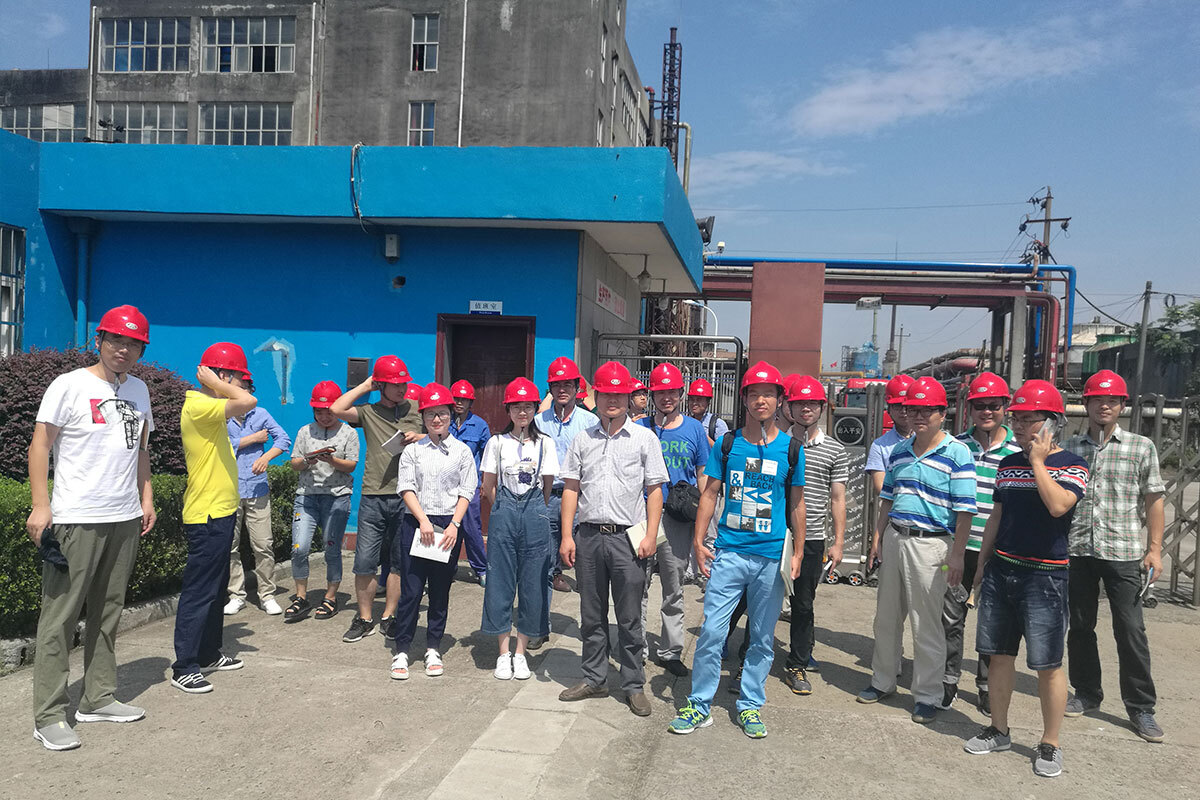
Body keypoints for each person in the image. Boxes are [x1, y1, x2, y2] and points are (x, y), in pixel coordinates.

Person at [26, 306, 156, 750]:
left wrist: (146, 497)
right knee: (60, 617)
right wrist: (40, 505)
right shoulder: (69, 385)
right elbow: (40, 444)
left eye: (134, 344)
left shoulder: (139, 390)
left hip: (123, 517)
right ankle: (48, 714)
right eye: (116, 340)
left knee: (108, 610)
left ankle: (98, 697)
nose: (124, 349)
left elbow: (140, 449)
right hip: (76, 518)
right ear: (99, 341)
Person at [667, 361, 805, 739]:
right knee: (712, 632)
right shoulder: (728, 445)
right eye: (754, 394)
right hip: (729, 553)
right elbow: (710, 493)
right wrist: (699, 542)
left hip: (770, 558)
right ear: (744, 399)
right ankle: (699, 704)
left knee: (761, 637)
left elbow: (797, 503)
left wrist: (798, 552)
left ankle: (750, 705)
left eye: (768, 394)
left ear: (779, 401)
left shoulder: (792, 450)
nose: (761, 401)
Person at [963, 380, 1089, 779]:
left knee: (1047, 664)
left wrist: (1037, 461)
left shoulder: (1073, 464)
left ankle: (1050, 742)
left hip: (1045, 576)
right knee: (999, 655)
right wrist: (982, 564)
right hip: (1002, 570)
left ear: (1052, 423)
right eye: (1016, 419)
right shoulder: (1007, 465)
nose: (1019, 426)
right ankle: (998, 729)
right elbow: (997, 515)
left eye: (1029, 419)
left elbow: (1058, 506)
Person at [858, 376, 976, 724]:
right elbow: (887, 498)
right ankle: (882, 680)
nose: (919, 416)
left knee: (926, 623)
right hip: (896, 536)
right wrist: (877, 537)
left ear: (943, 413)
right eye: (913, 410)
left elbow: (965, 510)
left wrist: (957, 554)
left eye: (927, 410)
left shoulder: (957, 452)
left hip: (932, 544)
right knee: (886, 617)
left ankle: (927, 694)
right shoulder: (899, 451)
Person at [558, 361, 669, 717]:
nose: (613, 400)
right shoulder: (583, 439)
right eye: (606, 394)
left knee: (630, 616)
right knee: (591, 614)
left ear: (628, 397)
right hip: (589, 537)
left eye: (619, 394)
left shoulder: (644, 439)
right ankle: (595, 677)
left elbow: (654, 490)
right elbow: (571, 488)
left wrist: (650, 534)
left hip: (627, 540)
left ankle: (633, 684)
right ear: (596, 396)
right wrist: (567, 535)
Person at [1062, 369, 1167, 742]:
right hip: (1078, 549)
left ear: (1122, 405)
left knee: (1131, 629)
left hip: (1122, 551)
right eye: (1097, 399)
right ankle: (1086, 691)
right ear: (1086, 403)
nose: (1104, 406)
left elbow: (1154, 500)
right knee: (1080, 626)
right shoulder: (1069, 448)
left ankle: (1141, 707)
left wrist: (1154, 550)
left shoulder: (1141, 447)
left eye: (1112, 400)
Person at [171, 342, 258, 694]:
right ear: (221, 375)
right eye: (237, 377)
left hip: (220, 511)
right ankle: (184, 666)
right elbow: (248, 401)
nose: (241, 384)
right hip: (206, 513)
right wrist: (217, 382)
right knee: (199, 591)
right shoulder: (199, 404)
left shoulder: (210, 406)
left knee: (215, 589)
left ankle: (208, 653)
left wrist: (219, 383)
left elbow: (244, 400)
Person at [329, 356, 423, 643]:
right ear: (381, 385)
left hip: (406, 495)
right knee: (365, 561)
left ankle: (389, 616)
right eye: (395, 384)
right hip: (373, 495)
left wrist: (420, 437)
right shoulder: (368, 412)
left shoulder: (416, 408)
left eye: (404, 383)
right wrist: (365, 385)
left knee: (398, 562)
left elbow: (441, 433)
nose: (402, 389)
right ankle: (365, 617)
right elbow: (335, 409)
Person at [389, 383, 478, 680]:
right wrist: (423, 521)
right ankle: (402, 649)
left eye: (442, 413)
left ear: (452, 415)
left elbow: (467, 490)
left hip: (449, 526)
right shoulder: (413, 451)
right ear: (423, 417)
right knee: (412, 590)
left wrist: (454, 524)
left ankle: (432, 647)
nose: (437, 419)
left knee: (440, 590)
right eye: (430, 414)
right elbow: (406, 487)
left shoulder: (462, 451)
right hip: (417, 523)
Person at [944, 372, 1020, 714]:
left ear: (1005, 406)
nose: (986, 411)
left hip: (1000, 551)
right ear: (969, 408)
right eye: (979, 406)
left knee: (993, 620)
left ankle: (986, 686)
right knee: (949, 617)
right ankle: (948, 680)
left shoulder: (1019, 451)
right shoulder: (955, 447)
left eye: (993, 405)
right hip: (957, 548)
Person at [480, 378, 558, 680]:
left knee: (533, 582)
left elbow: (547, 486)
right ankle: (503, 652)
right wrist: (504, 508)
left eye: (528, 406)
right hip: (504, 513)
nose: (522, 412)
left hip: (535, 512)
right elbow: (488, 485)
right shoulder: (497, 442)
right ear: (508, 410)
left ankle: (521, 651)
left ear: (536, 409)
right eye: (516, 406)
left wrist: (533, 510)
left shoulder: (545, 443)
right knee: (499, 581)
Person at [638, 362, 711, 678]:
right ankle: (637, 648)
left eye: (672, 391)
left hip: (677, 519)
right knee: (637, 586)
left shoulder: (694, 430)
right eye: (660, 392)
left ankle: (670, 651)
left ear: (681, 393)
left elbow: (703, 475)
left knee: (674, 587)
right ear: (652, 395)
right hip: (642, 516)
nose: (666, 397)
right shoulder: (640, 427)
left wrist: (702, 522)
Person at [779, 375, 847, 693]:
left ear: (822, 407)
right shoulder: (776, 444)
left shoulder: (835, 450)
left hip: (813, 537)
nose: (806, 408)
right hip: (776, 534)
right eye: (799, 403)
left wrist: (838, 542)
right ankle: (747, 659)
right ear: (789, 408)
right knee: (760, 600)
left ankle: (798, 663)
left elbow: (838, 499)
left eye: (812, 403)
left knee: (803, 604)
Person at [283, 381, 359, 623]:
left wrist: (332, 460)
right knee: (299, 547)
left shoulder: (349, 432)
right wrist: (308, 460)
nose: (324, 416)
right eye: (319, 411)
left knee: (331, 548)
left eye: (329, 411)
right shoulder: (305, 431)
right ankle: (300, 596)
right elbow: (294, 463)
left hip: (337, 496)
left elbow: (352, 465)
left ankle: (330, 597)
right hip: (306, 496)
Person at [223, 371, 292, 616]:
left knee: (263, 545)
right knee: (229, 546)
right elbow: (219, 446)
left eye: (244, 389)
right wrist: (253, 438)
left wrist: (266, 456)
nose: (240, 393)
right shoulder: (221, 414)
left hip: (257, 488)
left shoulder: (260, 414)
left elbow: (283, 439)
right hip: (228, 489)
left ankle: (267, 594)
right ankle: (236, 595)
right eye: (236, 388)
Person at [538, 357, 599, 594]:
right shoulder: (539, 422)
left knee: (582, 542)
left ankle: (587, 582)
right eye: (556, 385)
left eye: (567, 385)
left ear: (576, 388)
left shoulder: (590, 422)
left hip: (580, 495)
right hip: (549, 495)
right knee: (548, 543)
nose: (562, 390)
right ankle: (554, 576)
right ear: (550, 389)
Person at [449, 379, 490, 585]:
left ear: (470, 402)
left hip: (469, 485)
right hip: (446, 485)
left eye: (464, 399)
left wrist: (484, 482)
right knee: (447, 525)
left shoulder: (480, 425)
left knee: (471, 527)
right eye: (456, 398)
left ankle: (481, 569)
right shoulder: (443, 421)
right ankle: (448, 567)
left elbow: (488, 456)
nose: (459, 402)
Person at [864, 374, 914, 495]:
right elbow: (880, 487)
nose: (903, 411)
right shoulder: (880, 446)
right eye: (897, 406)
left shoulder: (931, 441)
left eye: (907, 406)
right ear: (889, 409)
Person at [687, 378, 728, 444]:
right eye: (692, 399)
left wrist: (700, 433)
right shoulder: (685, 423)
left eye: (699, 399)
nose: (694, 403)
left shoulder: (717, 424)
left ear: (708, 402)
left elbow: (722, 449)